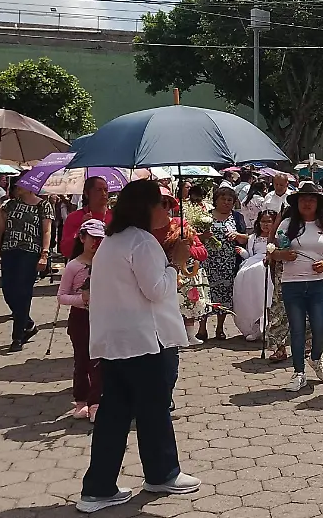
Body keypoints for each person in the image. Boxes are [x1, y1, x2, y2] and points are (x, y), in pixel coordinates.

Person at [76, 180, 199, 513]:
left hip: (117, 344)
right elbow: (156, 290)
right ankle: (162, 473)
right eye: (162, 205)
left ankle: (98, 488)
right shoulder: (142, 242)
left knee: (114, 416)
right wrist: (176, 263)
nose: (168, 211)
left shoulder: (113, 242)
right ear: (145, 207)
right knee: (154, 411)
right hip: (147, 342)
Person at [268, 180, 323, 392]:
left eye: (312, 199)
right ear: (297, 203)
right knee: (297, 330)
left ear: (318, 203)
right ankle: (299, 373)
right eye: (303, 199)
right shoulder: (286, 226)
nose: (307, 203)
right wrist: (282, 254)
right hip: (292, 284)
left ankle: (316, 358)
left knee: (321, 326)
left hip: (318, 284)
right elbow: (271, 251)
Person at [58, 219, 105, 422]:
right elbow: (61, 296)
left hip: (102, 317)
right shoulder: (73, 266)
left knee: (99, 361)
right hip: (80, 318)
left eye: (100, 239)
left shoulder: (107, 264)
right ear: (82, 238)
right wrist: (81, 299)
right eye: (92, 238)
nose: (96, 243)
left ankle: (96, 402)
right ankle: (81, 401)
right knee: (82, 360)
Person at [151, 187, 210, 344]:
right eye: (157, 203)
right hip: (156, 277)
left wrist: (185, 250)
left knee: (187, 302)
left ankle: (189, 333)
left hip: (181, 275)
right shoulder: (142, 232)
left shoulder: (181, 226)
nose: (163, 208)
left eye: (166, 203)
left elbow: (202, 252)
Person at [0, 185, 54, 352]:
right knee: (8, 291)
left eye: (20, 185)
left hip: (30, 252)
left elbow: (46, 231)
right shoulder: (10, 205)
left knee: (23, 292)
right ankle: (28, 324)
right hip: (9, 249)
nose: (16, 188)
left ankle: (17, 336)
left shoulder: (43, 205)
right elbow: (2, 227)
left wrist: (44, 254)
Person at [233, 211, 287, 360]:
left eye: (269, 222)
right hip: (252, 264)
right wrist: (243, 253)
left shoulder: (279, 237)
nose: (266, 224)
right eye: (263, 221)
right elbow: (250, 254)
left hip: (268, 265)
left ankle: (270, 327)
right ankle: (255, 325)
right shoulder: (253, 238)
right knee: (245, 282)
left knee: (268, 294)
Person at [204, 185, 247, 341]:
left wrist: (237, 235)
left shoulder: (237, 217)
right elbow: (195, 238)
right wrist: (204, 236)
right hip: (208, 262)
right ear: (216, 200)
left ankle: (220, 328)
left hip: (228, 264)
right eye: (223, 199)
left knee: (224, 295)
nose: (227, 202)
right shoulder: (206, 216)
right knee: (207, 294)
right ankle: (202, 329)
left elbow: (246, 238)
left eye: (230, 200)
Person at [60, 176, 112, 259]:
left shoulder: (115, 217)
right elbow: (66, 250)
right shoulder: (74, 217)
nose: (104, 193)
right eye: (99, 190)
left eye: (106, 190)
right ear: (87, 193)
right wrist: (81, 228)